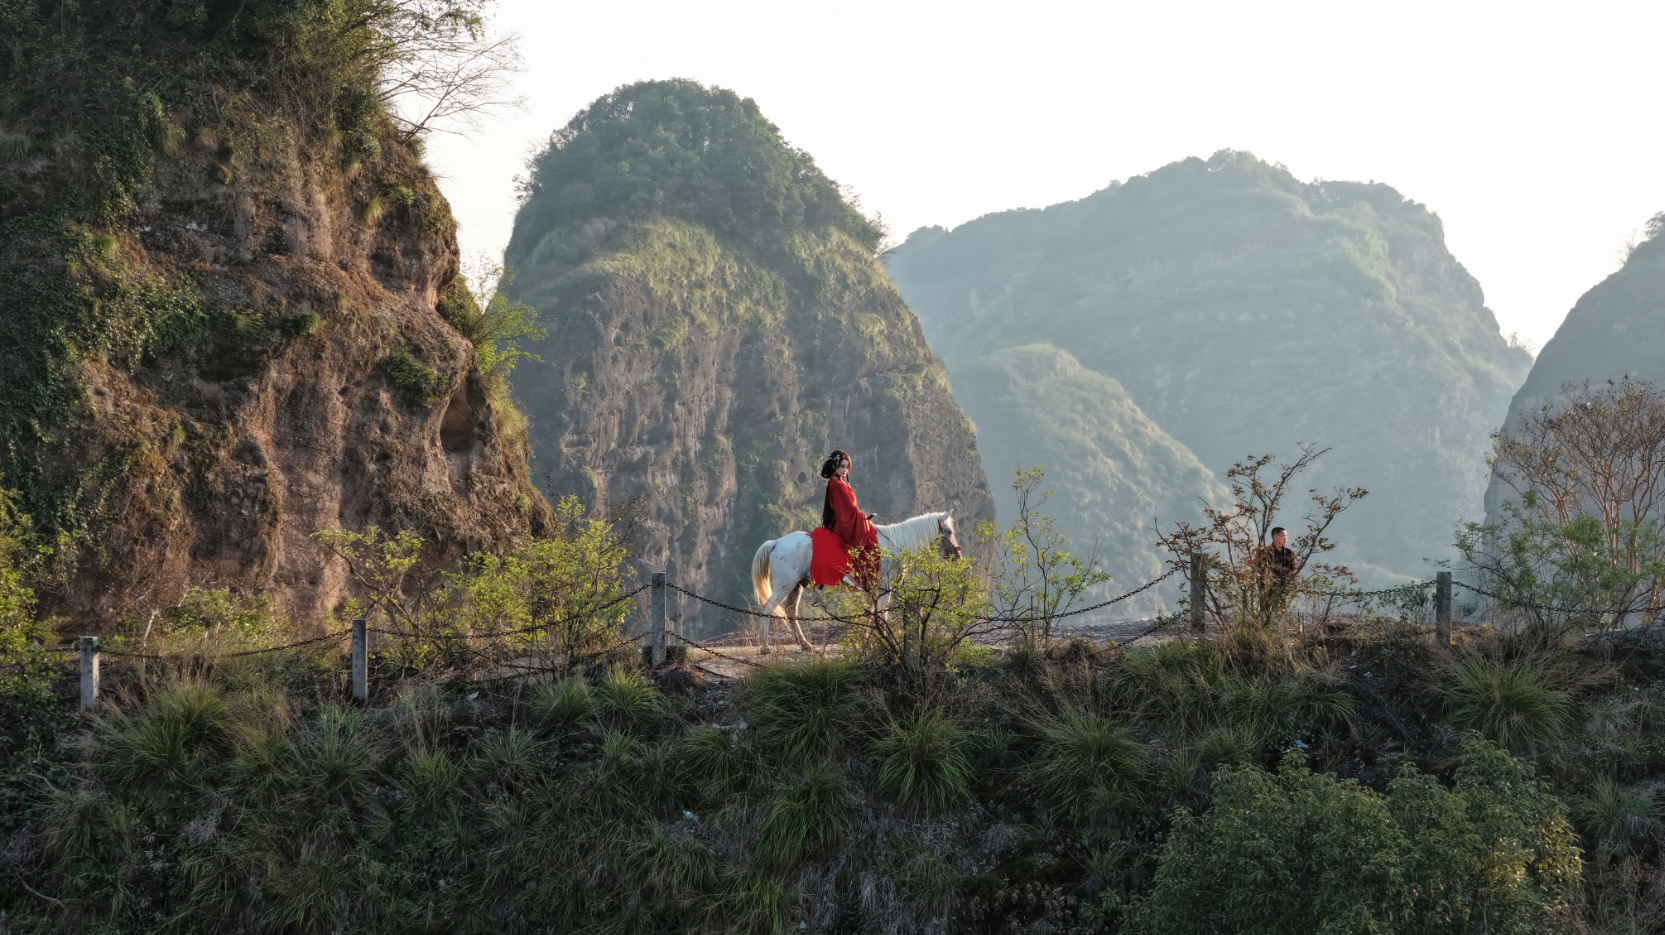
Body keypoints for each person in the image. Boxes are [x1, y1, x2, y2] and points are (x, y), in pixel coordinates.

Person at [810, 450, 879, 597]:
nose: (845, 470)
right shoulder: (836, 485)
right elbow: (845, 512)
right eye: (842, 466)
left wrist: (862, 519)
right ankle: (863, 580)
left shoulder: (838, 483)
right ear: (834, 466)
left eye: (847, 467)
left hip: (847, 520)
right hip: (843, 524)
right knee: (870, 548)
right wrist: (862, 520)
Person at [1260, 526, 1297, 611]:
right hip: (1268, 587)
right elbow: (1260, 571)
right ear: (1275, 537)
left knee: (1280, 610)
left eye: (1286, 536)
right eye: (1283, 536)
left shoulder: (1288, 553)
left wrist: (1292, 583)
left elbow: (1293, 570)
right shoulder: (1266, 552)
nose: (1285, 538)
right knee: (1265, 610)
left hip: (1283, 587)